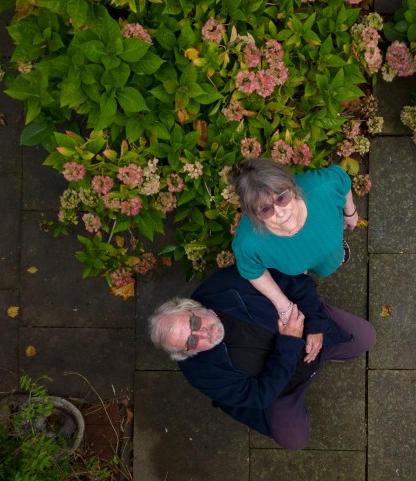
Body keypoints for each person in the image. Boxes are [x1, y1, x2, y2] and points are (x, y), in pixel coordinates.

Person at [147, 265, 374, 450]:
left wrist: (315, 325)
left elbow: (294, 281)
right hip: (283, 390)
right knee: (295, 441)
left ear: (193, 307)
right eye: (190, 342)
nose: (202, 334)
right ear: (187, 353)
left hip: (313, 336)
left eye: (194, 323)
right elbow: (258, 397)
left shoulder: (224, 285)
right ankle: (303, 383)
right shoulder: (200, 373)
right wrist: (290, 342)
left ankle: (323, 343)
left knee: (365, 338)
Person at [229, 159, 358, 360]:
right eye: (265, 210)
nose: (280, 214)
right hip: (294, 268)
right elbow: (251, 271)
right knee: (298, 271)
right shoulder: (248, 242)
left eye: (282, 198)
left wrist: (351, 212)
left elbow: (342, 179)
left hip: (329, 250)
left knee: (333, 257)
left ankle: (335, 257)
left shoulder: (322, 187)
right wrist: (283, 305)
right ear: (252, 213)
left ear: (291, 186)